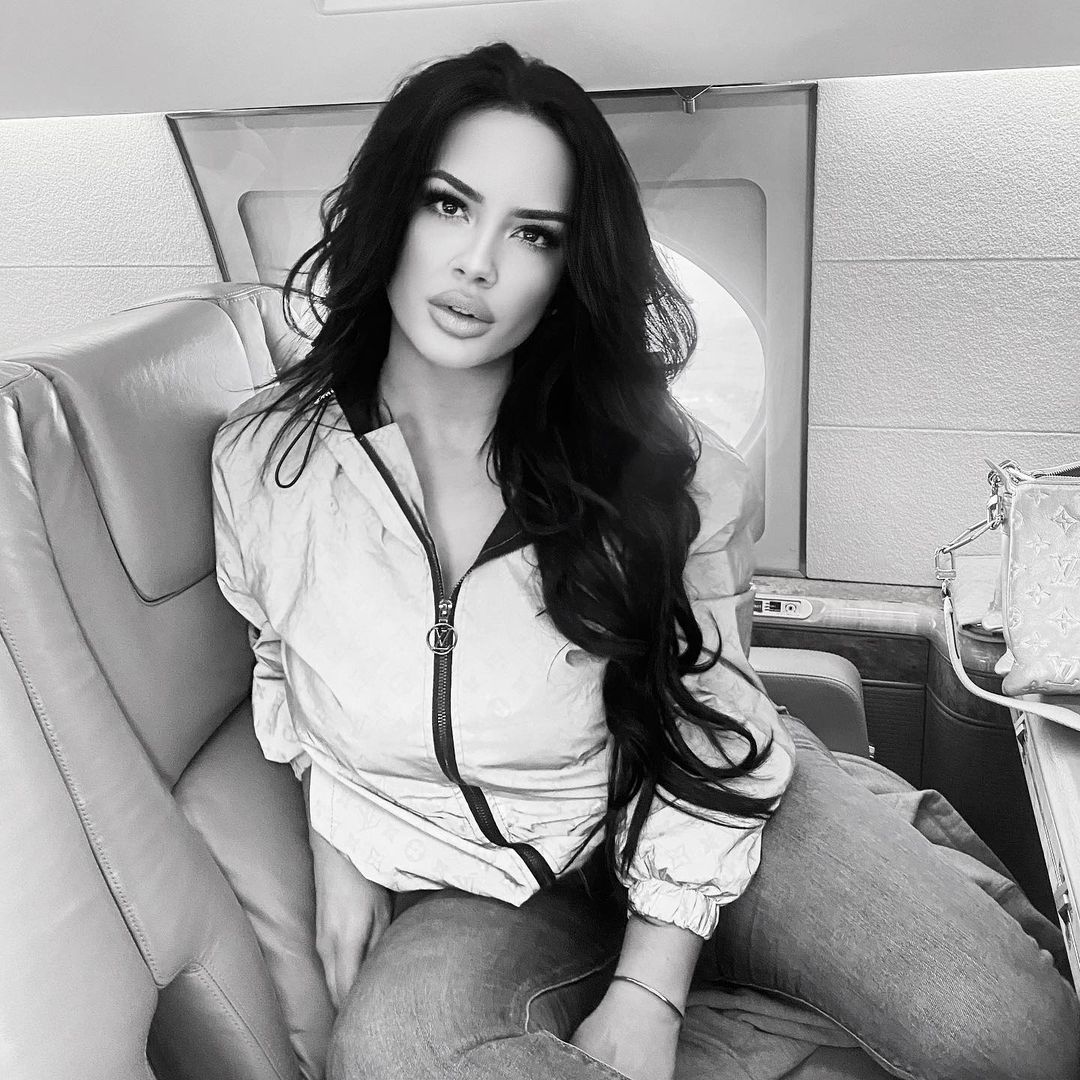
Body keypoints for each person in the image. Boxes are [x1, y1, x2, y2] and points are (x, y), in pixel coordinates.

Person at [210, 41, 1080, 1080]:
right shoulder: (265, 462)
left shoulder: (662, 463)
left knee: (1011, 1041)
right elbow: (285, 658)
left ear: (566, 270)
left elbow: (705, 725)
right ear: (390, 209)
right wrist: (338, 840)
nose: (478, 263)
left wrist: (651, 993)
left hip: (704, 797)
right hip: (481, 881)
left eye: (532, 232)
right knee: (395, 1054)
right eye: (448, 205)